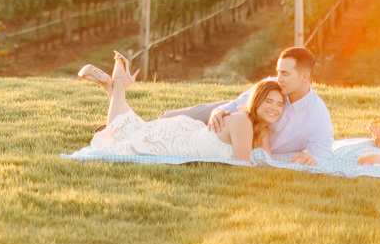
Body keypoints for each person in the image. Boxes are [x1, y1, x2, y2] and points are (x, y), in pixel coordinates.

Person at [78, 52, 284, 162]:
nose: (274, 108)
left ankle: (112, 86)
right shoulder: (242, 120)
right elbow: (244, 164)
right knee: (123, 137)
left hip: (188, 133)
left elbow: (270, 163)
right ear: (256, 100)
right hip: (179, 141)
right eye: (269, 101)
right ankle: (117, 85)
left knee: (131, 130)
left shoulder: (261, 129)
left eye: (280, 104)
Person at [160, 47, 334, 166]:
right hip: (235, 119)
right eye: (278, 72)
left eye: (285, 74)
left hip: (243, 139)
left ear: (305, 77)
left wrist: (313, 158)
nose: (278, 78)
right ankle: (167, 119)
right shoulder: (272, 85)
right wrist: (219, 111)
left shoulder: (317, 115)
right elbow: (237, 104)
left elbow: (324, 153)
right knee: (169, 122)